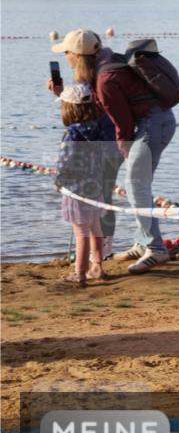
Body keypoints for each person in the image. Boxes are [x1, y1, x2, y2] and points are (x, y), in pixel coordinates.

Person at [92, 39, 178, 273]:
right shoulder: (113, 62)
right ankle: (143, 242)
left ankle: (156, 248)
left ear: (80, 58)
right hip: (158, 121)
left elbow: (122, 122)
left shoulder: (105, 78)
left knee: (136, 184)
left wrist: (125, 148)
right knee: (137, 186)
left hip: (152, 126)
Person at [47, 29, 121, 266]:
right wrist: (62, 95)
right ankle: (99, 257)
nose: (65, 57)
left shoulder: (95, 79)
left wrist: (59, 180)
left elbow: (78, 120)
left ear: (77, 56)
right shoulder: (101, 72)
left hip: (104, 147)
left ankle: (88, 263)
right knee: (100, 202)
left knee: (91, 212)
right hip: (107, 145)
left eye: (67, 52)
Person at [53, 82, 107, 286]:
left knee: (81, 232)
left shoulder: (72, 133)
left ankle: (80, 273)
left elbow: (65, 161)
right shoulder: (99, 128)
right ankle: (98, 267)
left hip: (76, 190)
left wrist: (58, 181)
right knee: (95, 229)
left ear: (70, 108)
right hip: (96, 185)